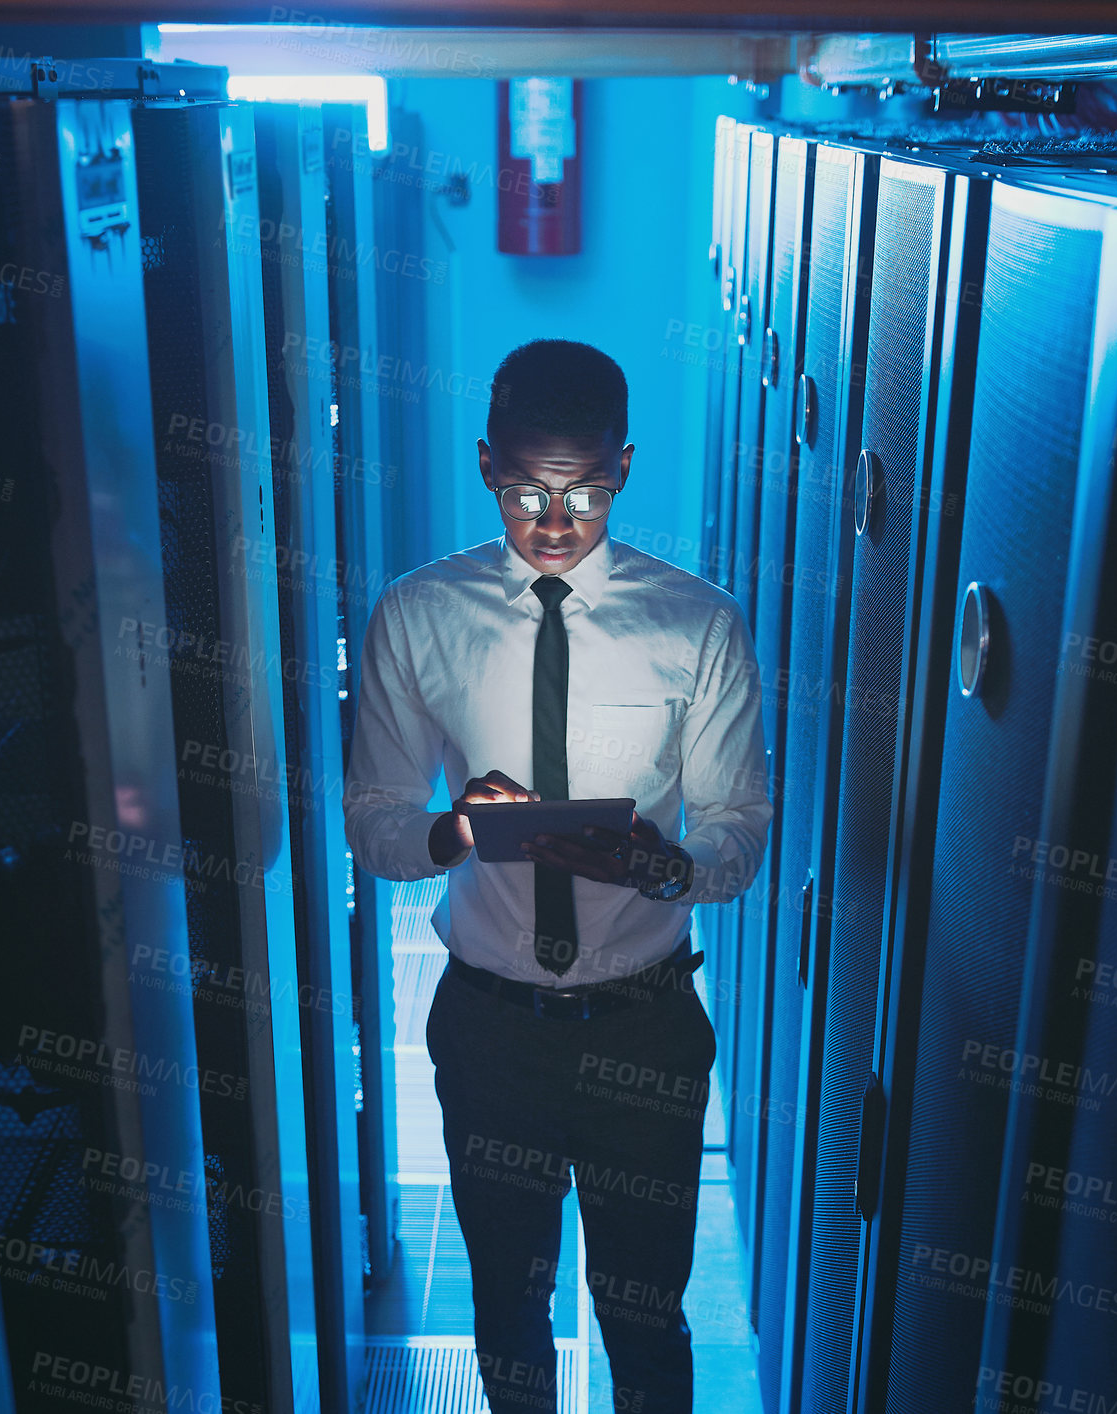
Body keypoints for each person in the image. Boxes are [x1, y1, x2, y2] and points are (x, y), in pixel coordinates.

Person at [342, 339, 771, 1414]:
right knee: (508, 1313)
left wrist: (664, 863)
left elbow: (738, 832)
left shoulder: (698, 623)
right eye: (528, 488)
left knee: (644, 1319)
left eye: (582, 490)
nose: (553, 519)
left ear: (623, 467)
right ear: (485, 462)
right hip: (491, 1031)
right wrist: (455, 833)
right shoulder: (417, 614)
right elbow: (376, 826)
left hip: (645, 1026)